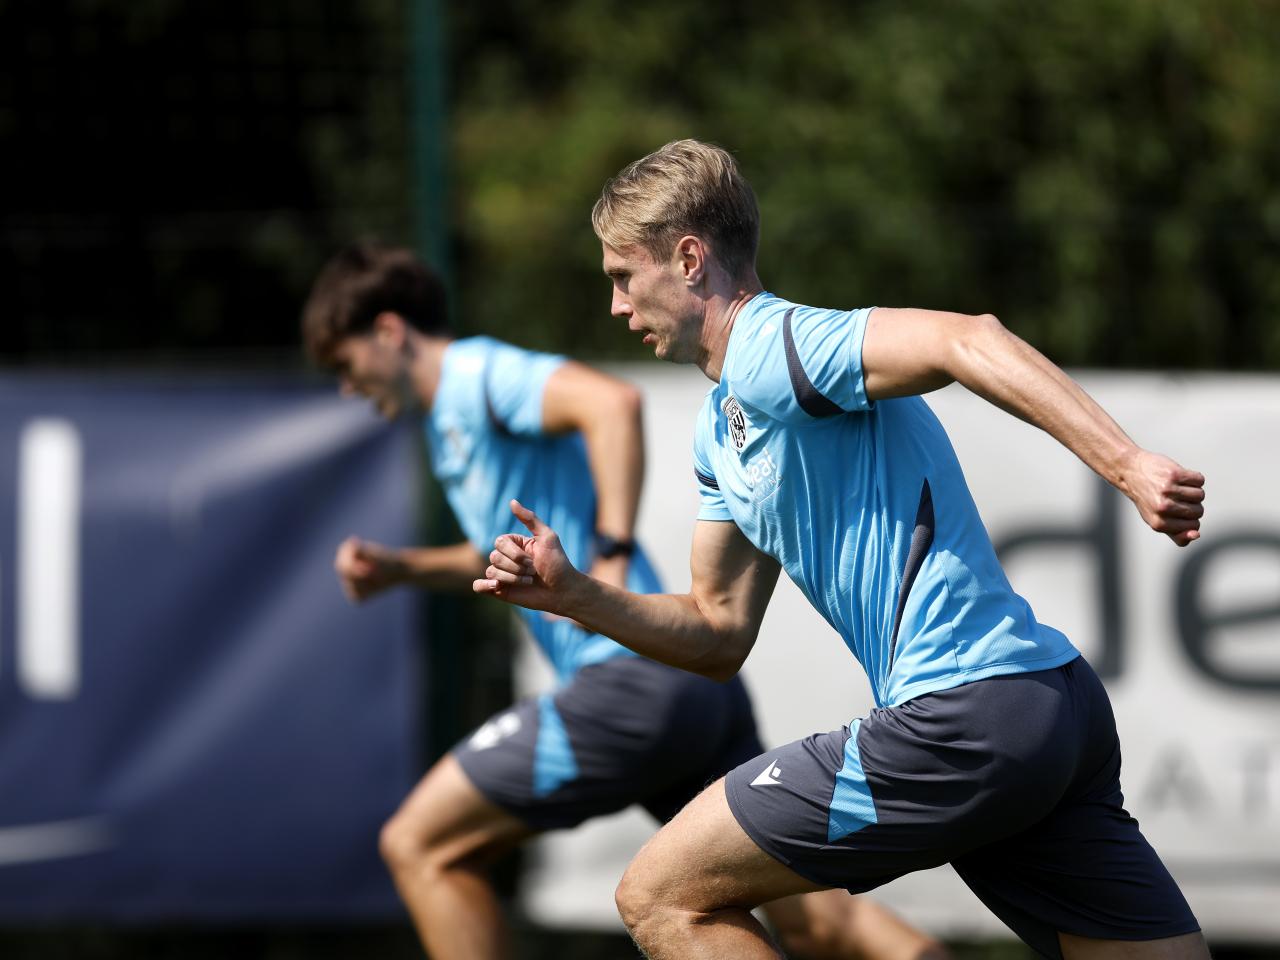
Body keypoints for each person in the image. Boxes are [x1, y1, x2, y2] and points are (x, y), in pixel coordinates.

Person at [475, 140, 1211, 960]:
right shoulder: (721, 429)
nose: (615, 305)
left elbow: (967, 339)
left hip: (963, 717)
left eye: (622, 276)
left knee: (660, 896)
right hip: (1048, 707)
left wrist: (1128, 464)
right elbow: (717, 632)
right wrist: (577, 595)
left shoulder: (773, 344)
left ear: (688, 260)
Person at [301, 241, 950, 960]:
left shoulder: (475, 374)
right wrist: (400, 568)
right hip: (688, 687)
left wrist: (609, 549)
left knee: (420, 844)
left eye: (345, 365)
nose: (349, 388)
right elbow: (497, 557)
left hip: (626, 680)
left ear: (389, 332)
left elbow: (611, 403)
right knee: (813, 918)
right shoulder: (448, 424)